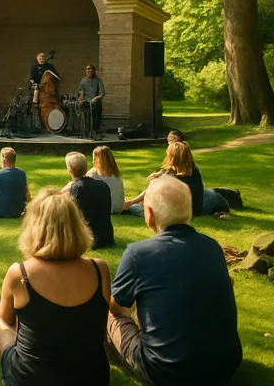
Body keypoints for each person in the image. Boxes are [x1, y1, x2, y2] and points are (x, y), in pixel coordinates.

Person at [107, 176, 242, 386]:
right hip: (225, 366)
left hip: (167, 372)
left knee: (111, 316)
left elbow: (116, 307)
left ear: (149, 214)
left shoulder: (138, 253)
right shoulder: (212, 247)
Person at [0, 188, 111, 386]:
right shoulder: (99, 269)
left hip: (31, 379)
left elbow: (8, 322)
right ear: (77, 226)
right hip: (93, 378)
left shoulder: (20, 273)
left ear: (34, 228)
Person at [62, 152, 114, 249]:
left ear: (70, 171)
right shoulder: (103, 185)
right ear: (86, 168)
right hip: (107, 237)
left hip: (87, 239)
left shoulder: (75, 188)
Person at [86, 146, 124, 214]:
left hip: (104, 208)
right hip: (118, 208)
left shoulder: (93, 173)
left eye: (94, 159)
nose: (93, 161)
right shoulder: (116, 173)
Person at [77, 63, 105, 134]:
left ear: (94, 70)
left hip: (95, 104)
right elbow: (80, 92)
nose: (89, 70)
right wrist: (80, 97)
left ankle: (95, 131)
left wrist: (95, 98)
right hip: (86, 103)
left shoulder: (98, 80)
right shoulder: (83, 81)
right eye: (87, 69)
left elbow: (102, 93)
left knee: (95, 118)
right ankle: (84, 131)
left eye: (91, 69)